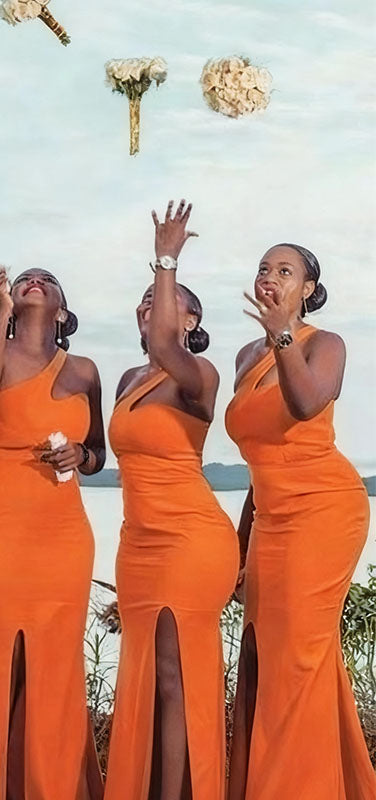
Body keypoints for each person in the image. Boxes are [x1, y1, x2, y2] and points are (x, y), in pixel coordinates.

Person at [0, 266, 105, 799]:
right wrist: (0, 311)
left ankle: (50, 786)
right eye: (25, 279)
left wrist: (81, 453)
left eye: (47, 280)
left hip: (63, 531)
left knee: (54, 664)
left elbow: (99, 454)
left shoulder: (84, 370)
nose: (34, 280)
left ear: (63, 311)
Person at [225, 243, 376, 799]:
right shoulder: (245, 357)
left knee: (296, 660)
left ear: (307, 289)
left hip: (324, 510)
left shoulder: (324, 344)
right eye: (263, 268)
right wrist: (240, 547)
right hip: (270, 520)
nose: (270, 276)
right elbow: (258, 464)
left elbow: (307, 403)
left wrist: (283, 335)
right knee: (265, 655)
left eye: (284, 271)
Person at [104, 200, 238, 799]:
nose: (148, 306)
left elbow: (163, 343)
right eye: (142, 301)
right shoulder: (129, 381)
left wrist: (166, 259)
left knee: (173, 673)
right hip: (138, 544)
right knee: (148, 678)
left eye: (159, 300)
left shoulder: (199, 376)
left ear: (191, 320)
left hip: (190, 539)